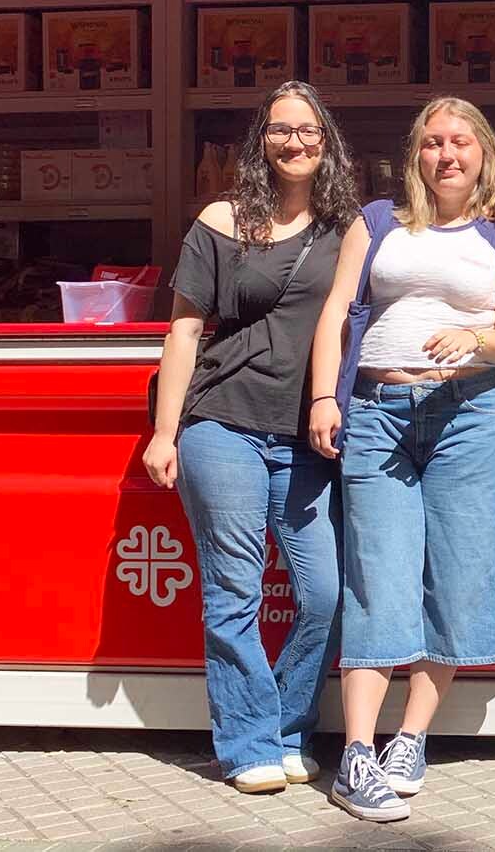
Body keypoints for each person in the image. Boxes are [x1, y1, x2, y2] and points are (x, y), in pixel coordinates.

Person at [307, 97, 495, 823]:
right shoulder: (376, 222)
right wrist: (322, 397)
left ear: (483, 152)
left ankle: (411, 737)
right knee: (379, 573)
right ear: (416, 155)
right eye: (433, 142)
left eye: (461, 141)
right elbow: (338, 309)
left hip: (469, 417)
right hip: (376, 411)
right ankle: (358, 755)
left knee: (459, 576)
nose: (446, 154)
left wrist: (474, 341)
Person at [142, 81, 356, 794]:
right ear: (259, 141)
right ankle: (248, 745)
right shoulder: (220, 220)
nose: (294, 142)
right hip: (221, 424)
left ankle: (290, 728)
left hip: (302, 435)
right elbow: (184, 330)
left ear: (326, 144)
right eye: (280, 130)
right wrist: (166, 431)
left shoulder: (344, 227)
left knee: (324, 593)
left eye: (308, 131)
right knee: (233, 593)